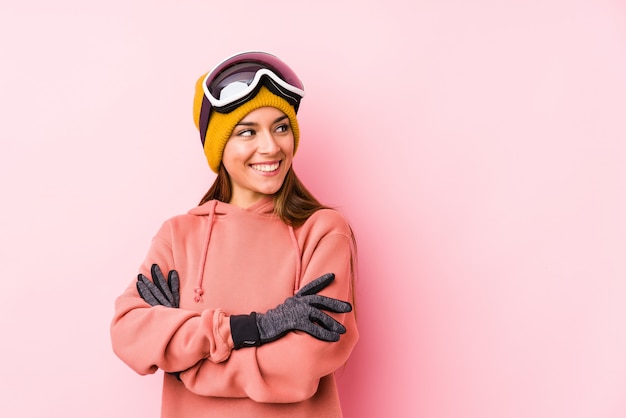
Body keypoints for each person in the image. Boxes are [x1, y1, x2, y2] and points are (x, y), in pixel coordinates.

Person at [110, 51, 359, 418]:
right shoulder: (179, 236)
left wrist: (185, 365)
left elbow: (302, 364)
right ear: (219, 146)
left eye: (280, 127)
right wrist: (254, 327)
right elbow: (129, 334)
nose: (271, 147)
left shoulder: (322, 232)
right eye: (247, 132)